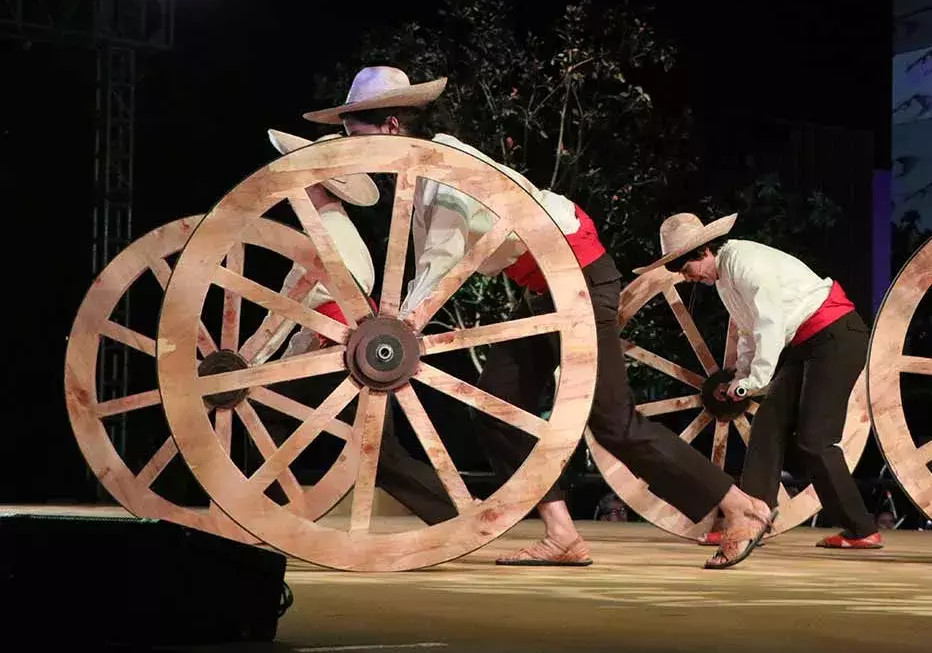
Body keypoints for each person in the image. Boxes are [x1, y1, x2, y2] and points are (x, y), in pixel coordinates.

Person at [302, 66, 772, 568]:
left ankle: (741, 507)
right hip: (547, 287)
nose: (354, 150)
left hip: (580, 278)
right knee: (495, 406)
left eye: (359, 135)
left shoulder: (445, 176)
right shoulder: (425, 179)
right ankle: (562, 534)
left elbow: (441, 263)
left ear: (392, 127)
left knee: (614, 423)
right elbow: (430, 265)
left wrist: (404, 326)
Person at [634, 212, 883, 564]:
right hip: (808, 343)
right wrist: (741, 378)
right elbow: (748, 333)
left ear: (703, 252)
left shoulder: (744, 262)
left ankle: (861, 529)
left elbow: (770, 323)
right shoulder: (724, 280)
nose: (683, 278)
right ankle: (750, 518)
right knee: (767, 423)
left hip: (836, 336)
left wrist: (756, 380)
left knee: (815, 439)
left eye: (682, 268)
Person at [248, 129, 462, 526]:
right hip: (350, 352)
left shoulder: (324, 235)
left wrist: (253, 364)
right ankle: (456, 514)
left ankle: (268, 516)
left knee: (260, 403)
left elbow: (290, 306)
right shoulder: (343, 230)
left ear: (314, 186)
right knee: (381, 452)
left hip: (337, 355)